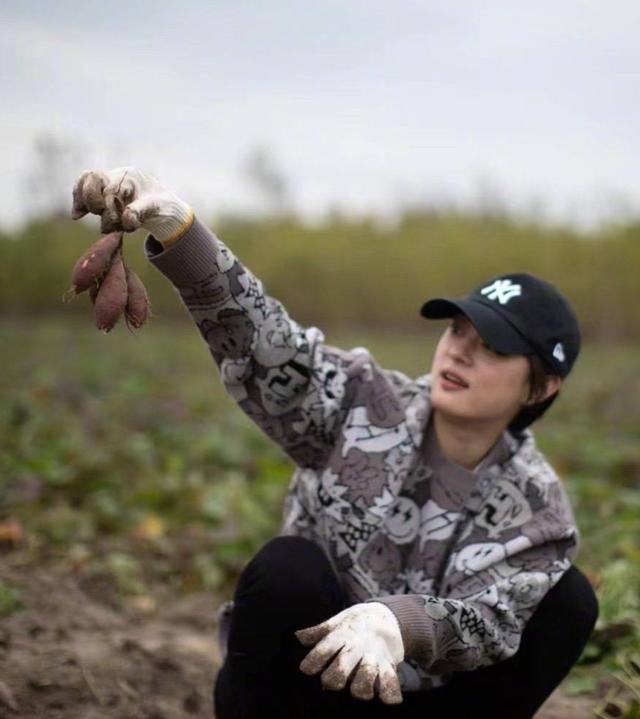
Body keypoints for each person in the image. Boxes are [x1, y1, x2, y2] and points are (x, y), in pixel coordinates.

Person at [72, 167, 599, 719]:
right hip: (299, 688)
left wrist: (398, 623)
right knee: (287, 568)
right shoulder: (365, 402)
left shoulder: (539, 511)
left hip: (417, 699)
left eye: (492, 346)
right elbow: (267, 346)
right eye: (457, 330)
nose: (460, 352)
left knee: (568, 602)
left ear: (542, 385)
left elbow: (493, 622)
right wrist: (184, 237)